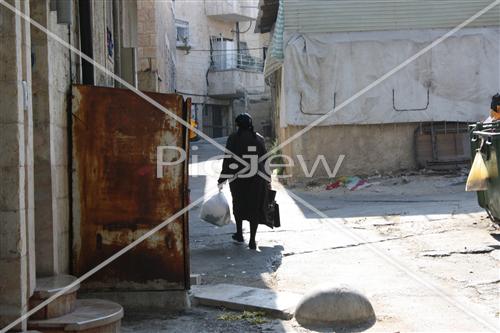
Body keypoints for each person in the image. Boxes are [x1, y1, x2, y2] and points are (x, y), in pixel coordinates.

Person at [218, 113, 270, 250]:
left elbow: (227, 159)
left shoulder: (233, 138)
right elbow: (265, 159)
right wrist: (268, 179)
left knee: (238, 205)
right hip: (256, 179)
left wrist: (222, 178)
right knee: (254, 208)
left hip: (237, 179)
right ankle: (252, 240)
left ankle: (240, 234)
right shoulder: (259, 138)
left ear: (237, 125)